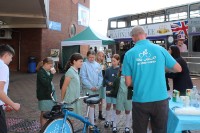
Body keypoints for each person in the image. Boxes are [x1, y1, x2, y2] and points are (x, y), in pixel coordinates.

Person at [122, 26, 182, 133]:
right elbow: (178, 68)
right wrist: (160, 68)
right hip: (160, 100)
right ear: (145, 35)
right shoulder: (160, 49)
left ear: (133, 38)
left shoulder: (129, 54)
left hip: (140, 100)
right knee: (160, 130)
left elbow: (128, 82)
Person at [0, 44, 20, 133]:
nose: (11, 59)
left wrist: (5, 103)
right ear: (6, 55)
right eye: (11, 57)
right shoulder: (3, 67)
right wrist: (12, 104)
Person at [80, 50, 103, 127]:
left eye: (93, 57)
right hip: (88, 88)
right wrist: (90, 86)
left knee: (93, 104)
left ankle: (90, 121)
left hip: (96, 88)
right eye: (90, 57)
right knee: (90, 104)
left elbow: (100, 76)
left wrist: (98, 86)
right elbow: (83, 77)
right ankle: (91, 123)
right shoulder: (84, 65)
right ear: (87, 57)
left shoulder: (98, 65)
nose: (91, 59)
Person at [108, 64, 132, 133]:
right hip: (119, 97)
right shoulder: (117, 79)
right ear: (120, 69)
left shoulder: (131, 78)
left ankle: (127, 127)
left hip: (128, 97)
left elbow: (133, 88)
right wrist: (110, 92)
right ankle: (114, 126)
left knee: (128, 111)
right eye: (123, 68)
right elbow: (114, 89)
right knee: (117, 111)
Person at [36, 57, 57, 128]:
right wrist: (52, 74)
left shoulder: (46, 71)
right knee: (45, 113)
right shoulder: (41, 72)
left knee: (44, 112)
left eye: (52, 66)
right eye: (50, 66)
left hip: (48, 95)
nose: (51, 67)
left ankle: (43, 128)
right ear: (45, 64)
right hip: (44, 95)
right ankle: (44, 128)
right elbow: (46, 83)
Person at [104, 54, 120, 128]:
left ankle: (113, 120)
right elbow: (105, 79)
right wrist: (108, 82)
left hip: (116, 92)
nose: (113, 62)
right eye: (112, 61)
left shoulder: (120, 70)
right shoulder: (108, 70)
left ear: (118, 61)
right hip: (108, 90)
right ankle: (107, 120)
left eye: (114, 61)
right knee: (108, 105)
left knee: (115, 106)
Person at [96, 51, 107, 120]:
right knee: (94, 98)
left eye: (102, 56)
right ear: (97, 56)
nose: (101, 57)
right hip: (96, 83)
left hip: (102, 83)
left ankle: (100, 114)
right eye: (99, 55)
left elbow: (105, 75)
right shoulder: (94, 64)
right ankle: (93, 115)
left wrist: (105, 70)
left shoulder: (104, 64)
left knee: (101, 99)